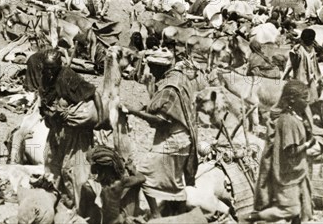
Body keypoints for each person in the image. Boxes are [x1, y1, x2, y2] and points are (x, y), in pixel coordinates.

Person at [123, 61, 201, 218]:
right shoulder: (180, 79)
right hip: (184, 140)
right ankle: (180, 215)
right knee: (176, 182)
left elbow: (160, 120)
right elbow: (165, 108)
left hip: (173, 141)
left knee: (143, 174)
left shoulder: (170, 88)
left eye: (152, 68)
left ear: (159, 68)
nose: (150, 72)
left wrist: (133, 111)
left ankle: (155, 214)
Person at [39, 49, 104, 209]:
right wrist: (49, 114)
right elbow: (44, 103)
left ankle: (78, 207)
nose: (49, 71)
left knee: (73, 171)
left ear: (59, 65)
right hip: (56, 130)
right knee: (51, 163)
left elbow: (94, 93)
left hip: (75, 134)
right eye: (46, 67)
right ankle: (55, 201)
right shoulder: (46, 78)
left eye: (52, 68)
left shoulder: (68, 76)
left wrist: (101, 119)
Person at [247, 80, 315, 223]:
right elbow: (291, 151)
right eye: (304, 98)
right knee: (291, 210)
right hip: (288, 175)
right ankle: (250, 218)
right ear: (292, 99)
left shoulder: (294, 117)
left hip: (297, 172)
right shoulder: (288, 121)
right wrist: (309, 144)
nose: (307, 101)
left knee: (302, 211)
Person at [79, 145, 145, 224]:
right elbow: (142, 178)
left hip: (102, 221)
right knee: (135, 187)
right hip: (116, 222)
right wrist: (132, 169)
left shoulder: (94, 185)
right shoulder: (120, 183)